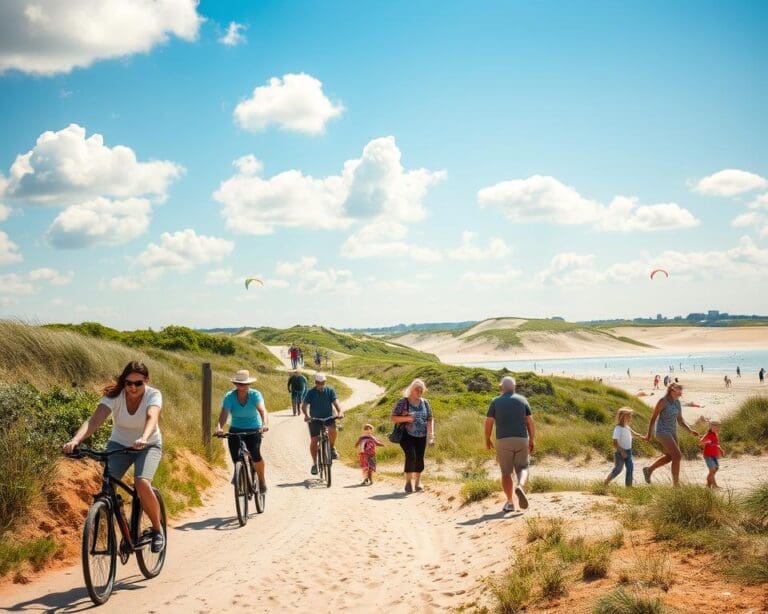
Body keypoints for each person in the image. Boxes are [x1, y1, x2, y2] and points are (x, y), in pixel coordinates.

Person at [63, 361, 165, 553]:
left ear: (146, 381)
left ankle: (157, 531)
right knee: (108, 486)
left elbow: (152, 417)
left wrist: (144, 437)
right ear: (123, 381)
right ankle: (120, 527)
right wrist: (75, 440)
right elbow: (94, 420)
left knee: (142, 482)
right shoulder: (114, 396)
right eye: (129, 383)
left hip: (148, 444)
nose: (133, 387)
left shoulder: (153, 394)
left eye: (138, 383)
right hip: (119, 445)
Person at [485, 376, 535, 512]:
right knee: (523, 468)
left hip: (503, 440)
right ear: (514, 387)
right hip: (521, 439)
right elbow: (529, 421)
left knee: (506, 472)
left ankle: (510, 502)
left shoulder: (495, 401)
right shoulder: (523, 400)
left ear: (501, 387)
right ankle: (520, 486)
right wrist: (531, 439)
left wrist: (487, 438)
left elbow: (489, 422)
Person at [216, 370, 269, 492]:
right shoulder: (229, 396)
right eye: (239, 384)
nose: (242, 387)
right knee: (236, 457)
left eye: (244, 384)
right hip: (235, 429)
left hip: (253, 429)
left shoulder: (255, 395)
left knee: (255, 455)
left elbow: (262, 410)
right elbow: (224, 414)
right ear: (235, 384)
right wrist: (219, 427)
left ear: (249, 384)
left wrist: (264, 424)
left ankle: (261, 480)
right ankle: (238, 469)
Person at [642, 383, 699, 486]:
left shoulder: (677, 402)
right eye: (679, 391)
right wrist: (649, 435)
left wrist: (690, 430)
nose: (680, 394)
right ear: (672, 390)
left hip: (672, 432)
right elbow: (653, 418)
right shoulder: (663, 401)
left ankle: (649, 470)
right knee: (677, 456)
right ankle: (676, 485)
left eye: (681, 392)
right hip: (662, 431)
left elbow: (680, 420)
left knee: (670, 457)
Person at [391, 378, 435, 493]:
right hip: (406, 434)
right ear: (411, 389)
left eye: (421, 390)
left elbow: (430, 419)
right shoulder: (403, 402)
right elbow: (393, 418)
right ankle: (408, 482)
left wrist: (431, 435)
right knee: (411, 456)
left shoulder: (425, 402)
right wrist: (407, 418)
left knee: (419, 458)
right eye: (417, 389)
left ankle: (417, 483)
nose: (419, 391)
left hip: (421, 435)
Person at [302, 372, 343, 475]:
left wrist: (340, 411)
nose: (320, 384)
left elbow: (336, 402)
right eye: (318, 382)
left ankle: (332, 447)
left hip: (328, 417)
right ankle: (315, 464)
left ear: (325, 382)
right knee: (314, 440)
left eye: (322, 382)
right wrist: (306, 415)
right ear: (315, 382)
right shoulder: (310, 393)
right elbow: (304, 405)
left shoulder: (330, 391)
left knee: (333, 430)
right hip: (314, 419)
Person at [603, 408, 643, 487]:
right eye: (629, 416)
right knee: (618, 470)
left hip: (628, 452)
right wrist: (622, 452)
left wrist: (644, 437)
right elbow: (615, 443)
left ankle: (628, 487)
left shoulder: (627, 426)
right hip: (620, 453)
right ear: (623, 417)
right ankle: (605, 483)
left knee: (630, 468)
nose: (630, 418)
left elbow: (634, 434)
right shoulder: (618, 429)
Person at [699, 420, 724, 489]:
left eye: (718, 426)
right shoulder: (708, 435)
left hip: (713, 455)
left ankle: (711, 485)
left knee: (715, 469)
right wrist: (705, 442)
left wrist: (720, 449)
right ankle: (711, 485)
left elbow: (716, 444)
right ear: (710, 427)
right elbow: (701, 442)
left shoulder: (715, 435)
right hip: (708, 455)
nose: (717, 428)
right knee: (712, 470)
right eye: (715, 426)